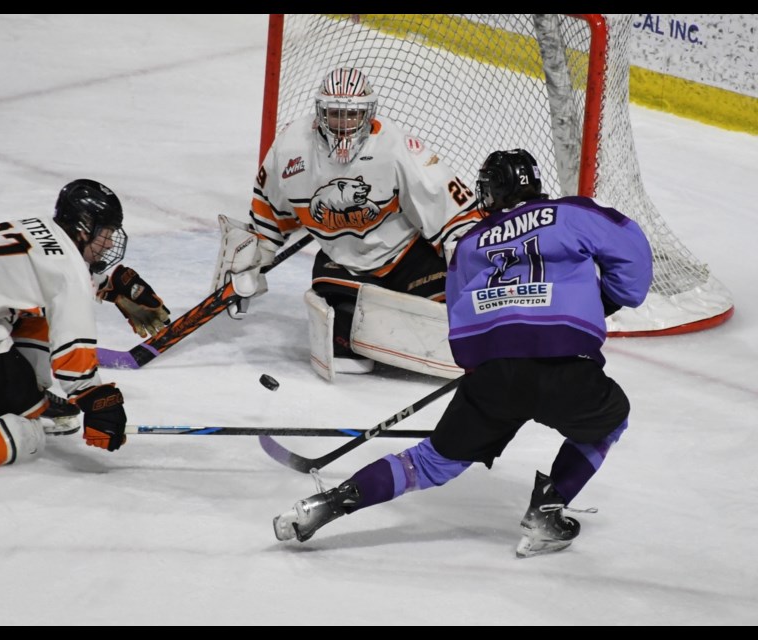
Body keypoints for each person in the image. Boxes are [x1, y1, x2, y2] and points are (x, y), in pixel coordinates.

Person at [272, 148, 654, 558]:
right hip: (564, 366)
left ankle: (328, 503)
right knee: (610, 419)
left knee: (429, 463)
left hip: (493, 374)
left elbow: (459, 324)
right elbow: (634, 260)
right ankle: (547, 510)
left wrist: (484, 364)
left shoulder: (470, 243)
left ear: (492, 193)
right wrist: (602, 301)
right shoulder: (573, 213)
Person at [0, 179, 171, 481]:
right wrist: (97, 403)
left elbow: (45, 274)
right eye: (106, 233)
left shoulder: (41, 227)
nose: (111, 243)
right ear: (83, 227)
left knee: (37, 315)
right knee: (29, 435)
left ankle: (29, 395)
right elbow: (74, 353)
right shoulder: (69, 273)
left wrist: (110, 286)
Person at [211, 67, 480, 379]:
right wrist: (250, 265)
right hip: (343, 264)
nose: (343, 125)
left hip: (406, 257)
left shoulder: (396, 148)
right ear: (319, 114)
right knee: (343, 340)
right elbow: (268, 215)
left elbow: (454, 216)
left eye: (352, 115)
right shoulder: (290, 149)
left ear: (369, 115)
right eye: (335, 114)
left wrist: (472, 274)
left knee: (455, 315)